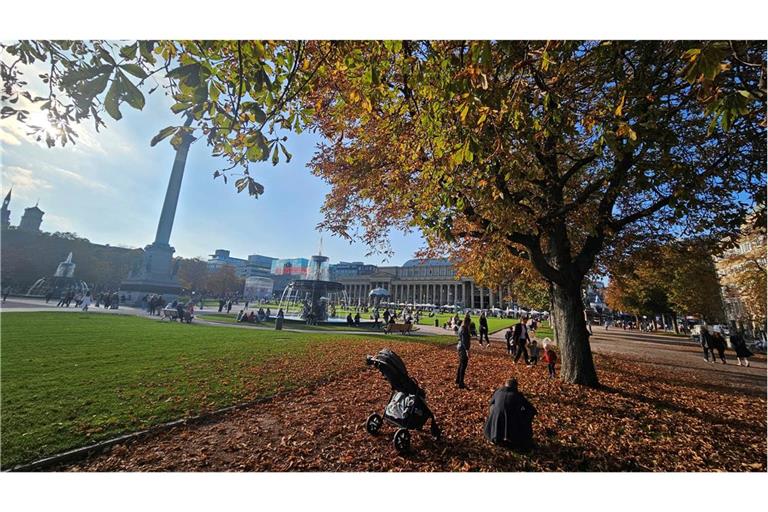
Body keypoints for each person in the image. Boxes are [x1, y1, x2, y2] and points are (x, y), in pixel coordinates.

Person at [483, 378, 537, 450]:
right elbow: (531, 409)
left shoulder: (498, 392)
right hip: (512, 428)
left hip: (494, 428)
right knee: (526, 413)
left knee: (493, 408)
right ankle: (522, 437)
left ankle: (494, 433)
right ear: (515, 387)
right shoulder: (517, 395)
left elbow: (491, 404)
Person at [456, 313, 471, 389]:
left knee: (461, 364)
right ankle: (461, 382)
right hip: (463, 348)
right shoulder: (464, 329)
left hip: (459, 347)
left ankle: (458, 380)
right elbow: (465, 341)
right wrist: (467, 351)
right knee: (463, 365)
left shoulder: (461, 328)